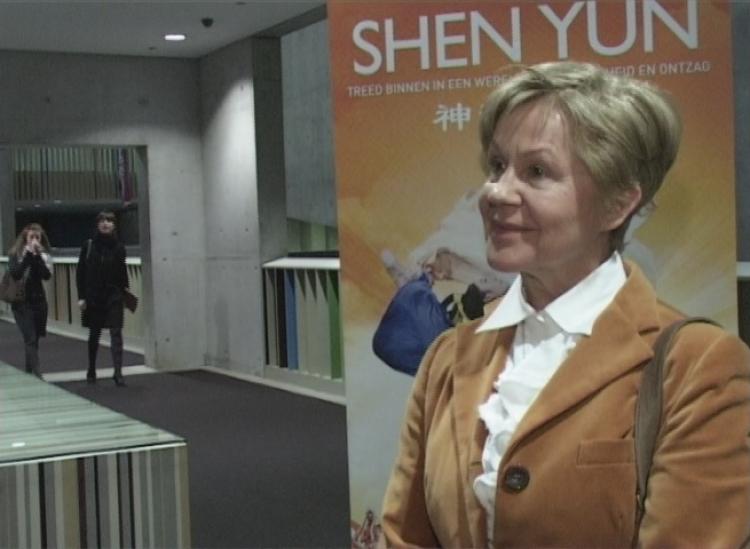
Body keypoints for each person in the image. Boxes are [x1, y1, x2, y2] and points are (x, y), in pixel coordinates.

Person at [381, 61, 750, 547]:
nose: (495, 191)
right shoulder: (446, 360)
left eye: (536, 171)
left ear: (617, 205)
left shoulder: (699, 367)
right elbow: (404, 536)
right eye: (497, 165)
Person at [76, 210, 129, 386]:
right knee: (94, 333)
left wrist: (126, 294)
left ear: (114, 225)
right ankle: (91, 368)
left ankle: (118, 372)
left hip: (114, 295)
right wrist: (81, 297)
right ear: (97, 224)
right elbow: (80, 272)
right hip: (94, 296)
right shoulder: (89, 245)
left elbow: (122, 273)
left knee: (116, 332)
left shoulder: (119, 247)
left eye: (109, 220)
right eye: (102, 220)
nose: (105, 223)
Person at [6, 223, 52, 378]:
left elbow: (46, 275)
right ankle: (38, 374)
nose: (34, 240)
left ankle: (28, 371)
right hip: (21, 302)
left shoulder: (43, 256)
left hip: (38, 301)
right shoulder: (15, 254)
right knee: (30, 337)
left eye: (37, 237)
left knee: (34, 339)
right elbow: (16, 273)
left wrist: (37, 256)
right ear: (25, 238)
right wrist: (27, 256)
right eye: (31, 237)